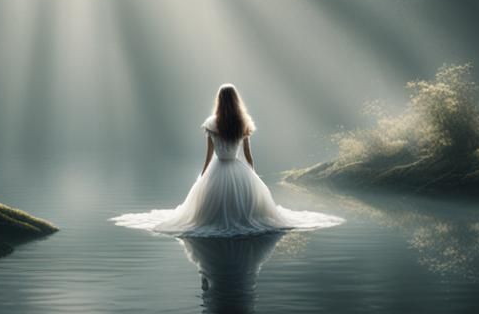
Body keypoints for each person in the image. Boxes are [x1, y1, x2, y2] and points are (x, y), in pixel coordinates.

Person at [112, 84, 343, 236]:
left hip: (218, 169)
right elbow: (249, 156)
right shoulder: (243, 124)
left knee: (206, 215)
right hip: (237, 169)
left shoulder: (212, 124)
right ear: (236, 101)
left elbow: (209, 155)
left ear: (219, 101)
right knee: (244, 212)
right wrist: (252, 177)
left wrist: (203, 178)